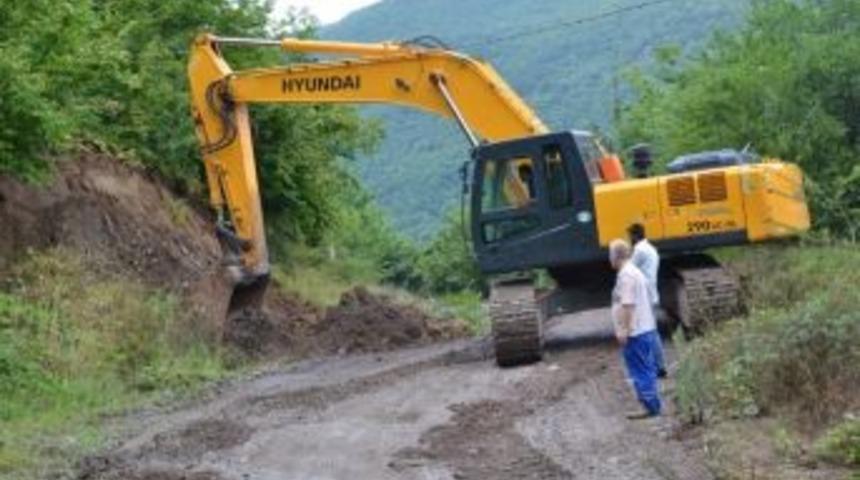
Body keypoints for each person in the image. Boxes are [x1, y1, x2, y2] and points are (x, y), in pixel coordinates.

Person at [609, 238, 662, 419]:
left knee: (640, 369)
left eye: (610, 254)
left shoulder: (627, 276)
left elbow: (628, 305)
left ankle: (650, 407)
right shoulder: (634, 272)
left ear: (615, 256)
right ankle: (651, 404)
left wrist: (625, 329)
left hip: (636, 331)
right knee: (644, 367)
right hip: (643, 328)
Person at [628, 223, 667, 379]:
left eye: (630, 236)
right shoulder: (651, 249)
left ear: (635, 236)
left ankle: (656, 367)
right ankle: (659, 366)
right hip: (650, 295)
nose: (629, 239)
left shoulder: (639, 250)